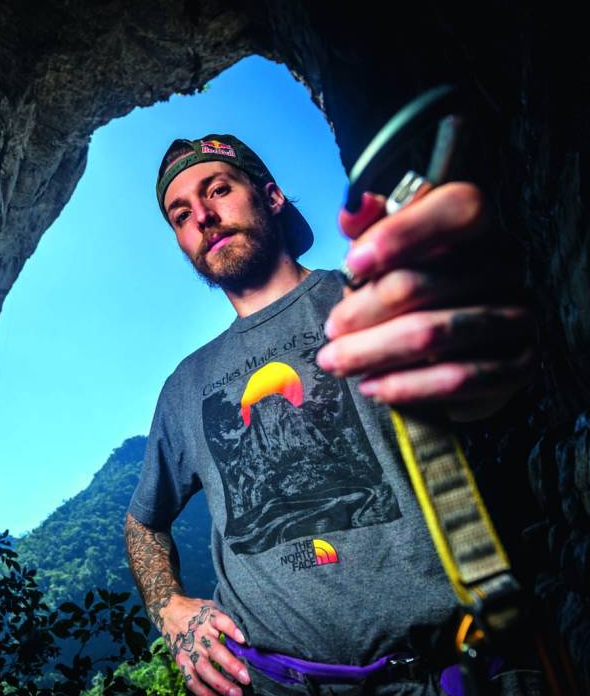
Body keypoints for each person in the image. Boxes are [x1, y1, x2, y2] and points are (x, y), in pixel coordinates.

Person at [123, 134, 539, 696]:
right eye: (181, 214)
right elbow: (143, 521)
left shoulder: (374, 298)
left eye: (218, 189)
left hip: (454, 671)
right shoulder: (184, 387)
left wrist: (487, 336)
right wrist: (168, 608)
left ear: (270, 196)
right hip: (272, 684)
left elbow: (486, 388)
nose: (203, 217)